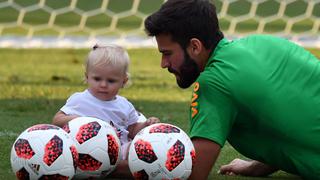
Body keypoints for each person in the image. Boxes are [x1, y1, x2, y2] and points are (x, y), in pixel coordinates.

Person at [144, 0, 320, 179]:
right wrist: (257, 167)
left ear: (195, 46)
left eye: (167, 53)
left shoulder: (214, 83)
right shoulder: (263, 43)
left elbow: (193, 172)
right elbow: (291, 116)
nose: (163, 64)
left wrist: (119, 165)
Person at [52, 44, 160, 178]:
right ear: (87, 77)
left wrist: (146, 126)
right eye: (97, 79)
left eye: (111, 80)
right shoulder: (80, 100)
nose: (103, 85)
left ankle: (122, 169)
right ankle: (114, 169)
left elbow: (132, 130)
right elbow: (56, 121)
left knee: (145, 150)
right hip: (87, 151)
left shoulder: (124, 105)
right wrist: (79, 121)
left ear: (123, 81)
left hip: (120, 151)